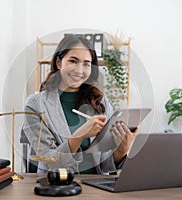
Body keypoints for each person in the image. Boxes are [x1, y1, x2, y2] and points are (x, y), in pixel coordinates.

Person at [22, 34, 138, 174]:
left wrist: (121, 150)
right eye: (73, 61)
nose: (79, 70)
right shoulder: (35, 105)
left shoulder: (100, 103)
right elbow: (48, 162)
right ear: (59, 63)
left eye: (86, 64)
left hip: (96, 189)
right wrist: (79, 136)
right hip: (57, 187)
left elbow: (104, 165)